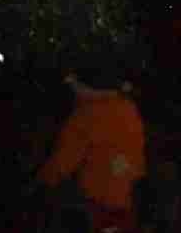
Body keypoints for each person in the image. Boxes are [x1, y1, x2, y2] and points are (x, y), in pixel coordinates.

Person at [39, 58, 146, 232]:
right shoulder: (129, 109)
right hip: (130, 202)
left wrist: (41, 183)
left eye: (72, 82)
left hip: (97, 206)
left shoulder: (85, 116)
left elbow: (61, 164)